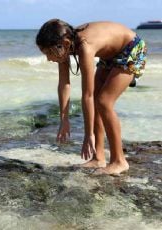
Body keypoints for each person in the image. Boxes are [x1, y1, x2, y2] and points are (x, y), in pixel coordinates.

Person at [36, 19, 147, 175]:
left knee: (103, 102)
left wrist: (89, 135)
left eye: (49, 53)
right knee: (97, 100)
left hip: (131, 48)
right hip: (109, 56)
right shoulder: (64, 46)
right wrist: (64, 119)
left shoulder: (84, 47)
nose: (48, 58)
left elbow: (86, 95)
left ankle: (119, 161)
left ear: (65, 43)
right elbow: (64, 84)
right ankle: (98, 157)